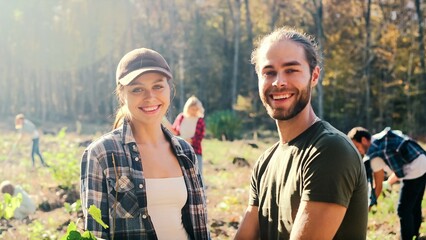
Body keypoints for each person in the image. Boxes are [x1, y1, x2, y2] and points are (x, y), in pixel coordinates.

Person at [234, 26, 368, 239]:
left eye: (291, 70)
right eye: (269, 72)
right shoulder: (265, 163)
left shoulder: (330, 150)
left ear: (314, 76)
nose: (279, 82)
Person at [80, 48, 209, 240]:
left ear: (169, 89)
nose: (150, 97)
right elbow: (96, 233)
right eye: (137, 89)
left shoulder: (185, 152)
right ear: (122, 95)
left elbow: (200, 226)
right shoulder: (102, 154)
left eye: (158, 86)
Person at [348, 126, 426, 240]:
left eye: (357, 146)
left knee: (403, 210)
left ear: (364, 140)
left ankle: (408, 237)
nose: (358, 151)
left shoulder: (374, 154)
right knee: (414, 204)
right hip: (422, 159)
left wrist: (369, 205)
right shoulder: (381, 138)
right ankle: (415, 234)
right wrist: (388, 182)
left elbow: (378, 186)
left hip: (415, 169)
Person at [172, 96, 206, 176]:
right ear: (188, 108)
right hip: (179, 151)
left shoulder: (200, 120)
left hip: (195, 152)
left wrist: (188, 140)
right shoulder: (181, 117)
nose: (194, 111)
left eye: (196, 109)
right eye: (192, 109)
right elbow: (174, 131)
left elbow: (199, 137)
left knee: (197, 175)